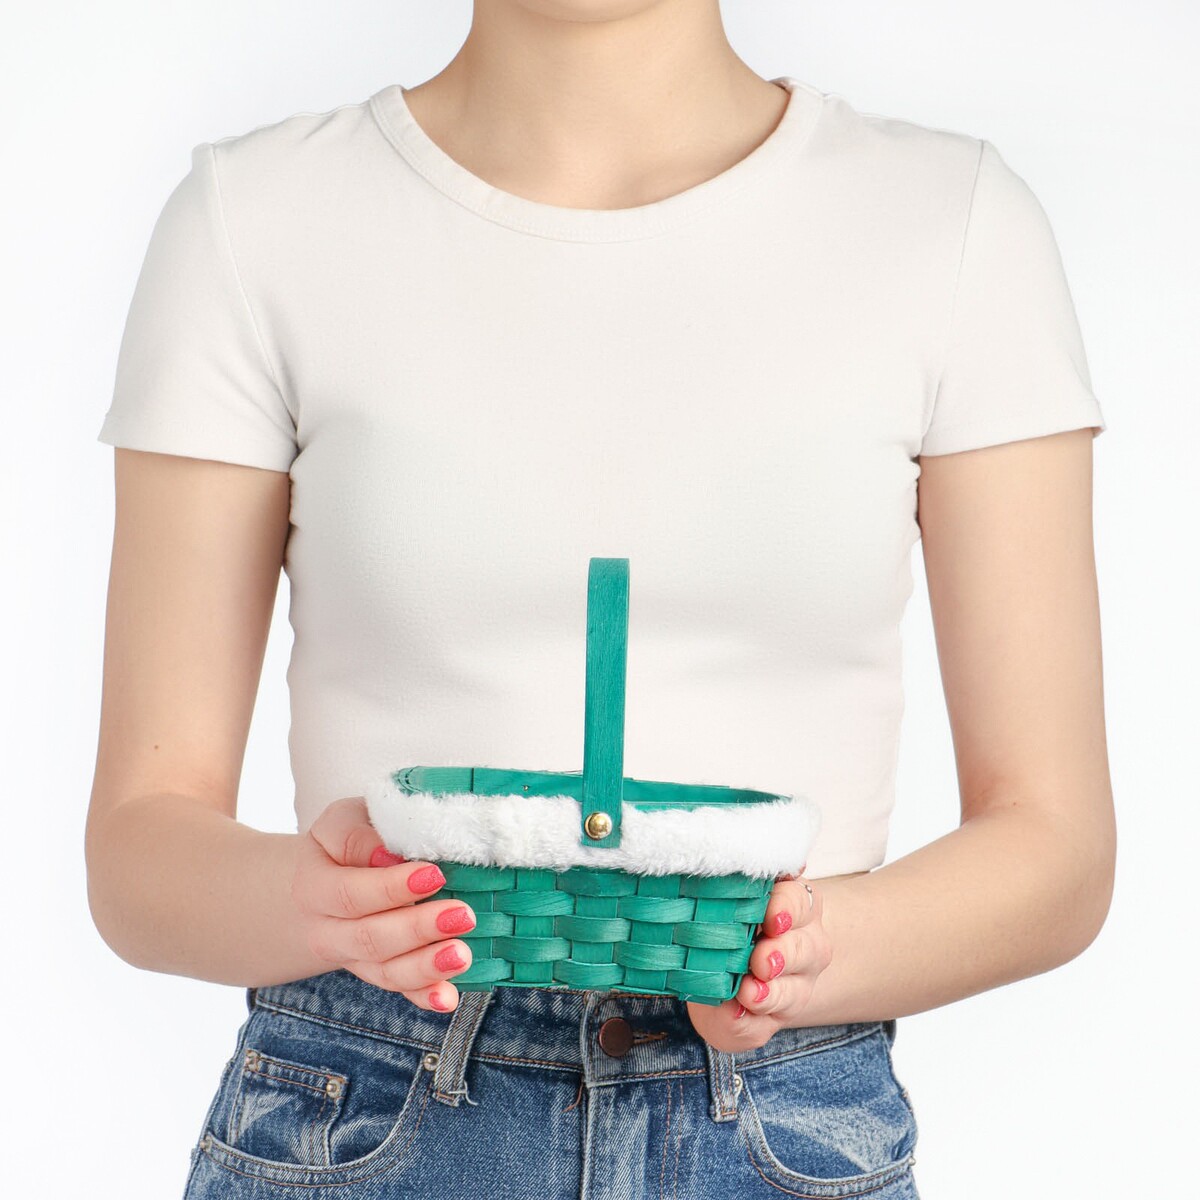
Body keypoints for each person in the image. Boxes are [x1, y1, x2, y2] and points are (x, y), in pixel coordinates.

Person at [87, 4, 1115, 1198]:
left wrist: (807, 957)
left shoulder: (956, 224)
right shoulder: (252, 220)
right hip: (371, 1104)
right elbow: (138, 847)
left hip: (776, 1118)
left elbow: (1058, 846)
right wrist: (318, 908)